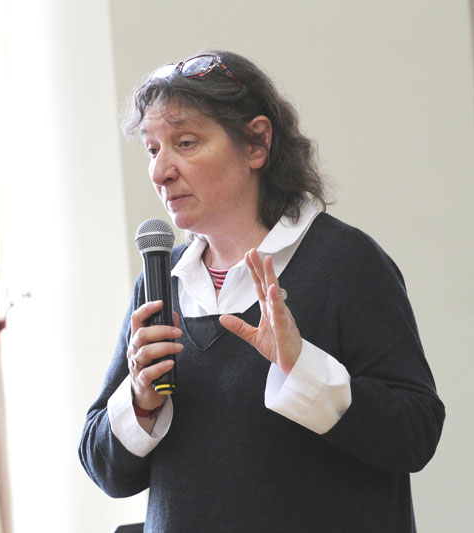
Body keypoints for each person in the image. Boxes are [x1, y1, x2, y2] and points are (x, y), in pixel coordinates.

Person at [79, 50, 445, 532]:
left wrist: (303, 368)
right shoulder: (162, 280)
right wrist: (141, 401)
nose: (160, 171)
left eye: (185, 143)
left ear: (256, 144)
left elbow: (415, 433)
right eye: (152, 149)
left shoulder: (345, 262)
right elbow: (105, 470)